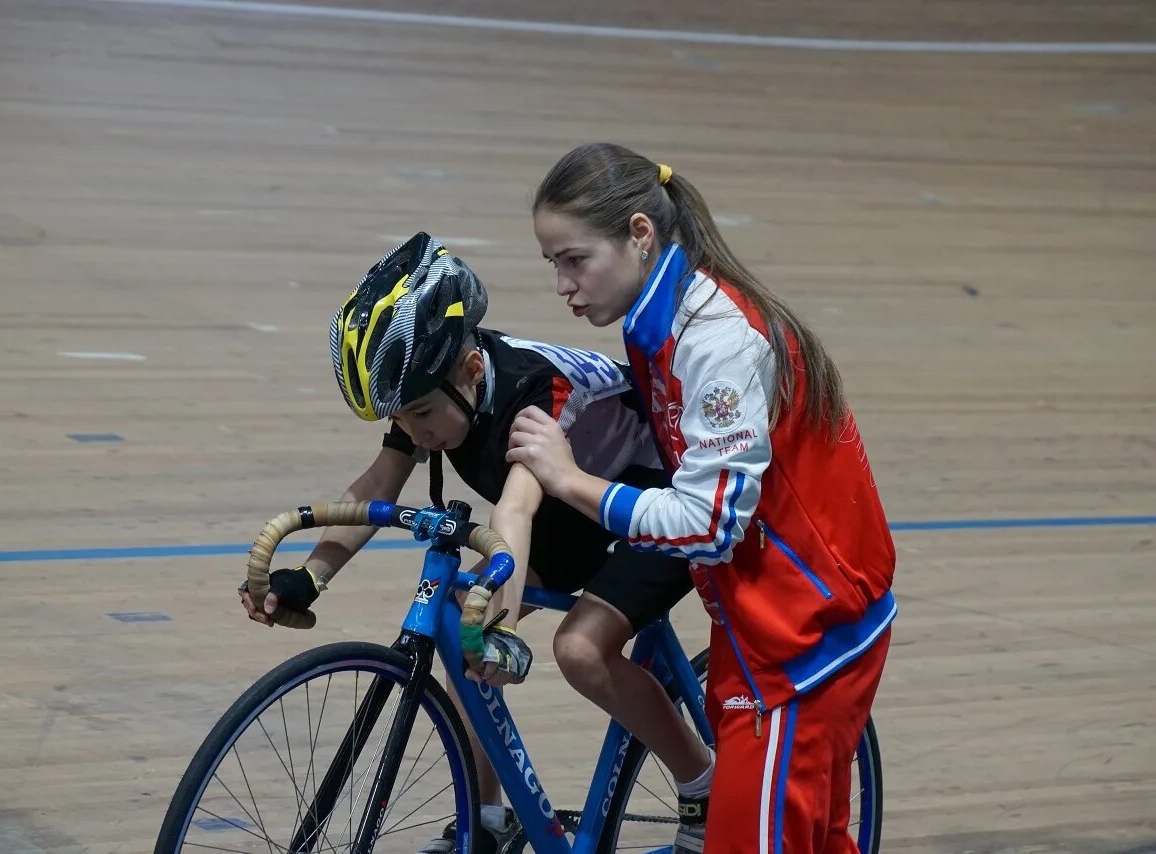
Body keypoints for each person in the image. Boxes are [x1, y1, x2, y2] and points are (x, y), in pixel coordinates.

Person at [239, 232, 711, 854]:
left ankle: (702, 783)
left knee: (578, 650)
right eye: (402, 419)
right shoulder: (431, 391)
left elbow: (514, 512)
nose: (414, 432)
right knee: (468, 627)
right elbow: (378, 484)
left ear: (469, 370)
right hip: (574, 513)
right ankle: (489, 821)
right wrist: (313, 574)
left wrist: (500, 631)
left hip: (657, 505)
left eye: (421, 417)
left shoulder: (535, 394)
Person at [507, 144, 897, 853]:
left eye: (573, 259)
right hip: (763, 621)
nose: (561, 284)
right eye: (551, 264)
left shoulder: (716, 341)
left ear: (639, 234)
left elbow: (710, 523)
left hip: (803, 642)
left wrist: (569, 480)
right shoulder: (655, 316)